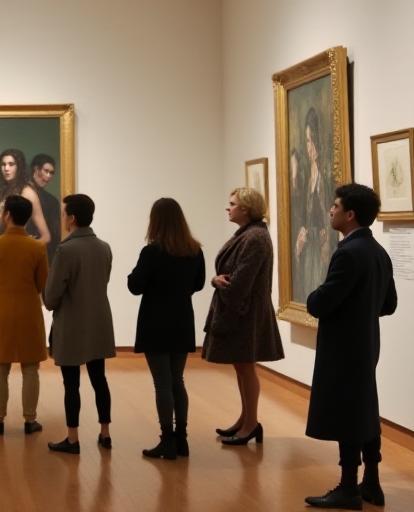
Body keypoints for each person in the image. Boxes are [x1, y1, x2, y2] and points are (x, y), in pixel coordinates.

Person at [303, 184, 397, 510]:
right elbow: (389, 304)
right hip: (367, 343)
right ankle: (371, 483)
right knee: (364, 409)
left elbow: (320, 303)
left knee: (348, 414)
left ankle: (348, 488)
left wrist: (316, 296)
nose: (331, 210)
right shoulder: (378, 252)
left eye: (336, 205)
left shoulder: (349, 252)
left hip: (344, 347)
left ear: (350, 214)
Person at [202, 187, 284, 446]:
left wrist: (219, 283)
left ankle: (251, 424)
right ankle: (245, 418)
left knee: (246, 369)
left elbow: (239, 283)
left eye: (232, 203)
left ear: (245, 208)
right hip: (240, 311)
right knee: (241, 368)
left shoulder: (255, 237)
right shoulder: (250, 234)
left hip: (244, 314)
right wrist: (216, 280)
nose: (228, 207)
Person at [127, 198, 206, 460]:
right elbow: (199, 284)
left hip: (155, 322)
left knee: (162, 384)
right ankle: (181, 440)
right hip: (182, 320)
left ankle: (167, 441)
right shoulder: (195, 250)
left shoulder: (152, 252)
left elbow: (135, 286)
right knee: (176, 381)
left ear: (156, 221)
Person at [45, 194, 116, 455]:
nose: (62, 218)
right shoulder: (104, 247)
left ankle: (73, 438)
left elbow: (52, 294)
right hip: (99, 321)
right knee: (100, 379)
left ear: (72, 218)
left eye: (64, 214)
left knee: (71, 382)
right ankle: (105, 433)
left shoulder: (66, 250)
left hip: (72, 323)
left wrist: (49, 301)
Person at [0, 195, 49, 436]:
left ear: (6, 214)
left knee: (0, 368)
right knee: (31, 368)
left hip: (1, 310)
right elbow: (41, 282)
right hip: (29, 310)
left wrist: (1, 294)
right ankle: (30, 420)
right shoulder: (38, 247)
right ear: (28, 217)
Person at [292, 108, 337, 301]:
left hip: (319, 250)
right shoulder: (304, 178)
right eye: (307, 141)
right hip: (307, 248)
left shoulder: (324, 177)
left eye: (311, 141)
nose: (309, 147)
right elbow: (301, 215)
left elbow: (327, 218)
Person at [0, 150, 50, 249]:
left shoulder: (28, 192)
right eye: (3, 164)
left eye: (11, 164)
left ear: (19, 167)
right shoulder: (0, 190)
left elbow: (46, 237)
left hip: (18, 249)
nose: (6, 168)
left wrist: (25, 249)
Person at [28, 154, 61, 262]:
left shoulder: (52, 201)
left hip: (45, 254)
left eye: (51, 173)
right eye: (46, 171)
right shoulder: (21, 192)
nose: (48, 176)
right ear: (36, 169)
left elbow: (55, 234)